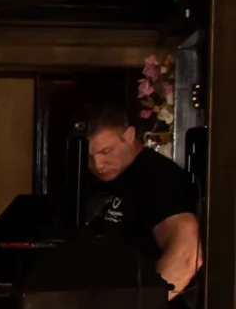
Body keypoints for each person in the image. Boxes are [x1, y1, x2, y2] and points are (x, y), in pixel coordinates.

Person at [82, 105, 202, 295]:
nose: (98, 165)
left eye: (106, 151)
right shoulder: (94, 180)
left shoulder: (159, 177)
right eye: (89, 156)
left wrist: (139, 305)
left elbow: (187, 255)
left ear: (129, 135)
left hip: (141, 308)